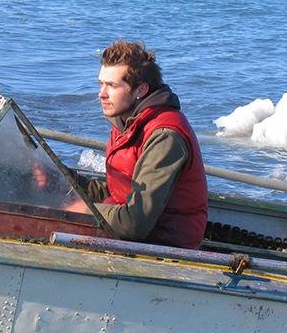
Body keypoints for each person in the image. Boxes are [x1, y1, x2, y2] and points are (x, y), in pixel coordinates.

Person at [82, 40, 208, 249]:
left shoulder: (165, 136)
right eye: (101, 84)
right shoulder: (128, 122)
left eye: (112, 85)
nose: (101, 93)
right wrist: (58, 180)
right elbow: (119, 189)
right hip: (135, 235)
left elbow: (134, 224)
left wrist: (85, 210)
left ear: (140, 90)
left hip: (165, 246)